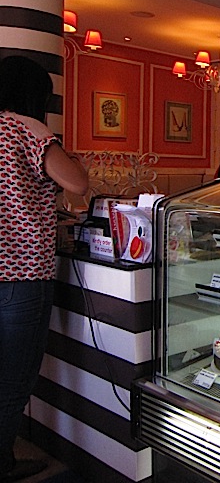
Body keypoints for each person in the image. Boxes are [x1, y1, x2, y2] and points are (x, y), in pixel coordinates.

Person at [0, 56, 89, 482]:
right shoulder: (28, 129)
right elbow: (78, 183)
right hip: (21, 273)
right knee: (13, 378)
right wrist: (70, 156)